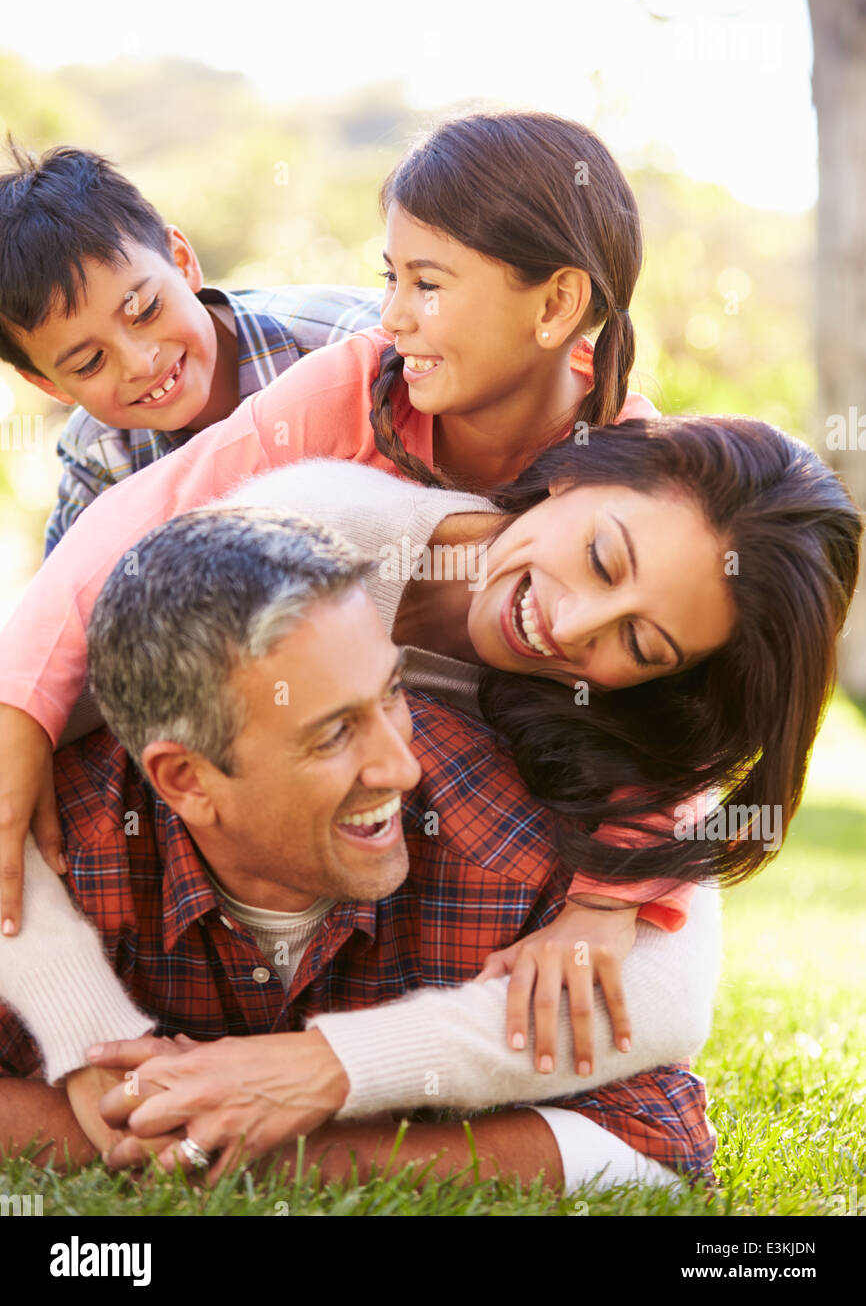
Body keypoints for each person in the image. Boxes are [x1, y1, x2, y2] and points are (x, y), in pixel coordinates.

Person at [1, 416, 860, 1091]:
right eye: (600, 559)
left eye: (639, 640)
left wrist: (342, 1067)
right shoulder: (308, 529)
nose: (568, 626)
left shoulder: (620, 719)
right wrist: (86, 1048)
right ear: (576, 471)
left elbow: (668, 1009)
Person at [0, 107, 656, 933]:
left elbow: (692, 709)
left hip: (496, 733)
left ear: (180, 259)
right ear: (53, 388)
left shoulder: (615, 461)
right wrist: (17, 712)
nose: (394, 316)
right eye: (391, 279)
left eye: (424, 284)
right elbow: (123, 545)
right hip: (289, 706)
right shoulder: (354, 380)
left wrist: (609, 902)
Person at [0, 505, 722, 1192]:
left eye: (392, 694)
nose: (401, 769)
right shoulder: (57, 855)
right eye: (335, 734)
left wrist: (286, 1152)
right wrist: (126, 1128)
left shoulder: (507, 849)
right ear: (186, 780)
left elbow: (657, 1139)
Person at [0, 142, 385, 557]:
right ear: (47, 384)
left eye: (145, 310)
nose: (139, 362)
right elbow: (73, 601)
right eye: (90, 362)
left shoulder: (352, 344)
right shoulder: (102, 451)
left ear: (182, 263)